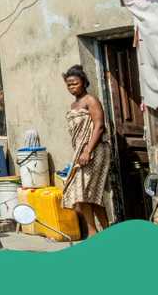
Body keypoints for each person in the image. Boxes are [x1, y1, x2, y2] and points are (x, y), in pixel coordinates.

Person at [61, 65, 111, 234]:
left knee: (86, 192)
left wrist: (88, 151)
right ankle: (102, 232)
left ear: (83, 82)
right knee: (86, 194)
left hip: (94, 151)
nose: (71, 87)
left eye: (75, 83)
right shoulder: (73, 104)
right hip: (80, 153)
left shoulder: (91, 100)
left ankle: (94, 233)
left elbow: (99, 126)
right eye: (68, 85)